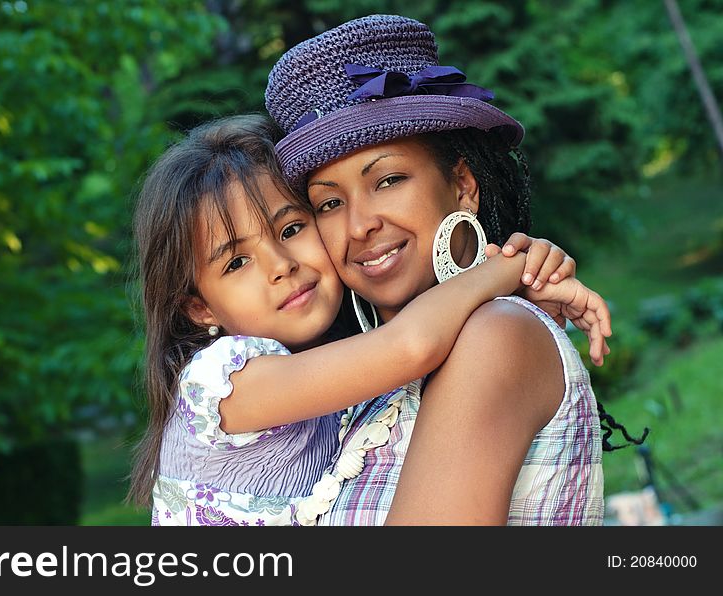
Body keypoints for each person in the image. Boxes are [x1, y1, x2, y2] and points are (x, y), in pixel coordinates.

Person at [126, 114, 610, 526]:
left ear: (463, 185)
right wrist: (506, 269)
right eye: (236, 262)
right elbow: (411, 344)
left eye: (292, 229)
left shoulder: (485, 340)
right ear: (199, 307)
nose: (281, 265)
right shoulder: (221, 381)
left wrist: (512, 283)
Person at [265, 14, 620, 525]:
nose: (360, 225)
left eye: (387, 180)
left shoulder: (495, 335)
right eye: (328, 204)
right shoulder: (361, 389)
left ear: (462, 186)